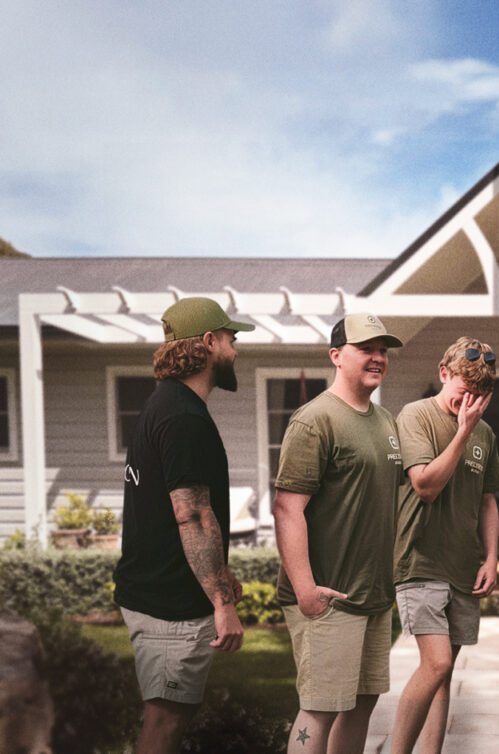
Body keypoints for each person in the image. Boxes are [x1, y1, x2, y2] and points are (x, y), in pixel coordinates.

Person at [114, 296, 253, 754]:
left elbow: (167, 507)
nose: (235, 350)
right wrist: (220, 601)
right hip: (168, 606)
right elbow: (189, 512)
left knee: (170, 716)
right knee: (165, 722)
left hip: (158, 592)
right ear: (209, 343)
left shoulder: (165, 405)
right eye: (231, 339)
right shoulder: (182, 416)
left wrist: (219, 573)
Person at [272, 312, 404, 754]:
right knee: (320, 709)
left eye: (383, 350)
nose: (378, 357)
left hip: (373, 593)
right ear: (336, 355)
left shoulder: (385, 421)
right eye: (366, 348)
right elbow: (287, 507)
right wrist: (306, 590)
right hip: (328, 596)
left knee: (363, 703)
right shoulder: (315, 420)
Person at [390, 337, 499, 754]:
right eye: (462, 389)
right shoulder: (416, 416)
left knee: (443, 672)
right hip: (420, 560)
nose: (469, 401)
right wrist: (463, 432)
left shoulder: (486, 434)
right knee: (435, 662)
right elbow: (425, 486)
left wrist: (491, 558)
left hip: (462, 566)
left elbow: (488, 499)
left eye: (478, 395)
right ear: (443, 374)